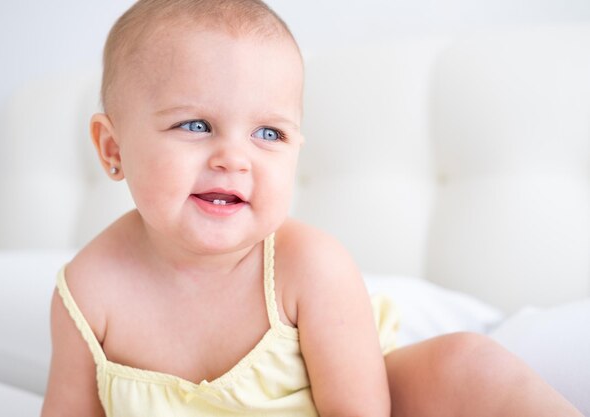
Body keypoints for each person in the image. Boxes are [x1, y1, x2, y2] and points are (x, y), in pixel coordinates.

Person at [41, 0, 583, 416]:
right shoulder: (88, 294)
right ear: (113, 149)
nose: (234, 158)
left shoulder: (309, 268)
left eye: (268, 133)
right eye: (196, 125)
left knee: (468, 365)